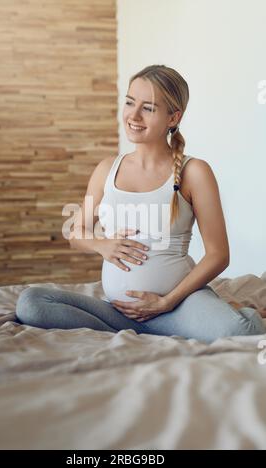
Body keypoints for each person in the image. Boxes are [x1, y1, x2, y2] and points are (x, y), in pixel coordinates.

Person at [16, 64, 266, 343]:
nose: (133, 115)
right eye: (129, 102)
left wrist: (166, 302)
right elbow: (77, 232)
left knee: (243, 333)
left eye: (148, 108)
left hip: (178, 305)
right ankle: (143, 327)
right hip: (119, 311)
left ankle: (206, 317)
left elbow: (218, 255)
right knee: (31, 303)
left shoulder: (194, 172)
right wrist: (102, 244)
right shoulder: (106, 170)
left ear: (173, 117)